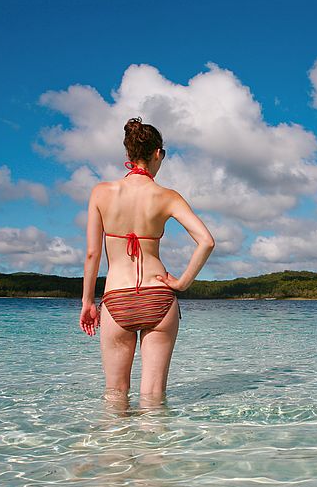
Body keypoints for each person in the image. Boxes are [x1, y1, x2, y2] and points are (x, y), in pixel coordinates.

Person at [79, 117, 215, 403]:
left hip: (117, 299)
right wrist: (182, 283)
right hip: (159, 297)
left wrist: (87, 303)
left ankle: (112, 448)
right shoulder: (167, 196)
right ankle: (154, 448)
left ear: (129, 153)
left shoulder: (101, 193)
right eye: (162, 154)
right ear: (156, 154)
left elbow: (92, 253)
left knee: (115, 396)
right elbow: (206, 241)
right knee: (153, 399)